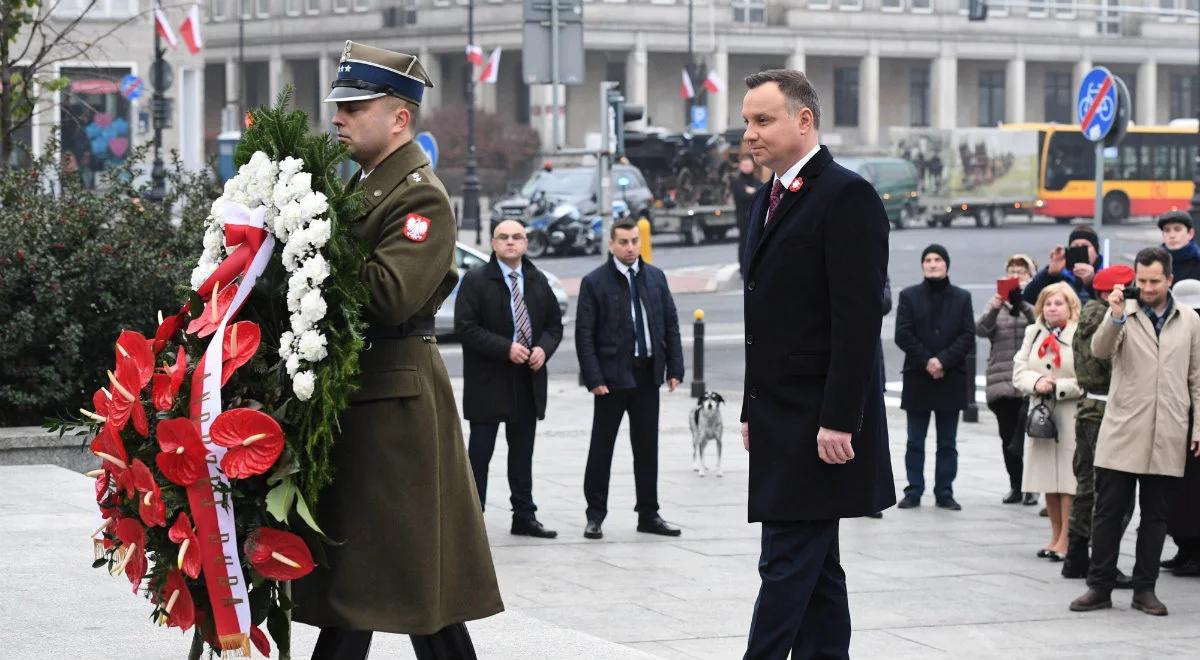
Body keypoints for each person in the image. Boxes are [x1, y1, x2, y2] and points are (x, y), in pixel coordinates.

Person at [292, 42, 503, 660]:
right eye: (339, 105)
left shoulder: (419, 196)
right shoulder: (366, 186)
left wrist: (311, 244)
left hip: (397, 404)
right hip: (369, 395)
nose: (339, 117)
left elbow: (387, 295)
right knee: (379, 580)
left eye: (355, 106)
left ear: (399, 117)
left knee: (408, 579)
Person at [738, 69, 894, 660]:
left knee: (784, 561)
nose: (750, 134)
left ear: (804, 120)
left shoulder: (845, 195)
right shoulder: (769, 198)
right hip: (781, 417)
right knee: (817, 570)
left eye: (763, 120)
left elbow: (856, 321)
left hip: (816, 421)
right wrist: (753, 407)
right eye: (747, 122)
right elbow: (766, 321)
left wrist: (840, 419)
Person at [1072, 248, 1200, 616]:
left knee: (1156, 516)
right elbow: (1099, 350)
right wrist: (1114, 316)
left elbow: (1196, 378)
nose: (1146, 287)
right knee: (1108, 512)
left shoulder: (1190, 320)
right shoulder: (1123, 314)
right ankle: (1099, 587)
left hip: (1168, 430)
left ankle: (1145, 589)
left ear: (1169, 280)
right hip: (1124, 428)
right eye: (1140, 281)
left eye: (1153, 281)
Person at [576, 219, 685, 540]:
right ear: (611, 244)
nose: (629, 247)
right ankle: (595, 515)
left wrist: (675, 368)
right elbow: (584, 335)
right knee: (602, 448)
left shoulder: (655, 278)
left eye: (634, 241)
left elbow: (671, 324)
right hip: (610, 378)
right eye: (623, 241)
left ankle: (648, 514)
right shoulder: (595, 282)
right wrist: (594, 377)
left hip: (647, 375)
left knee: (647, 448)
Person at [455, 219, 564, 539]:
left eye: (517, 237)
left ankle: (524, 515)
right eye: (503, 237)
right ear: (493, 243)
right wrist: (506, 349)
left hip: (526, 381)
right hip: (488, 380)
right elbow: (466, 327)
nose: (510, 243)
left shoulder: (537, 279)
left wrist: (543, 349)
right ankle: (473, 520)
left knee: (522, 453)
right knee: (480, 454)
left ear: (526, 243)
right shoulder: (476, 280)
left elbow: (554, 326)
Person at [1063, 265, 1136, 587]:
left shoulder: (1086, 317)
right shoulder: (1107, 321)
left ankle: (1076, 555)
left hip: (1087, 409)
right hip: (1106, 409)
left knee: (1086, 487)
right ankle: (1102, 560)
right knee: (1115, 496)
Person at [894, 244, 974, 511]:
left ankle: (944, 491)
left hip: (950, 378)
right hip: (919, 376)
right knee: (915, 440)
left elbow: (967, 335)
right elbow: (902, 334)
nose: (932, 264)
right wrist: (928, 360)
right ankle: (914, 490)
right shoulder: (909, 296)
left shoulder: (962, 297)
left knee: (947, 442)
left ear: (946, 264)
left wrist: (943, 361)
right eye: (927, 259)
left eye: (937, 259)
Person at [1013, 283, 1084, 561]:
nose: (1052, 308)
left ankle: (1066, 538)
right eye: (1048, 303)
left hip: (1068, 412)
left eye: (1059, 303)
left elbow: (1085, 378)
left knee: (1067, 480)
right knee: (1047, 480)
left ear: (1070, 307)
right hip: (1040, 413)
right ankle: (1054, 535)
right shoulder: (1034, 332)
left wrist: (1057, 386)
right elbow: (1019, 370)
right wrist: (1037, 382)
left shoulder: (1078, 334)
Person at [976, 254, 1037, 504]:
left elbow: (1039, 324)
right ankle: (1016, 485)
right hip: (1001, 380)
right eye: (1011, 271)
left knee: (1030, 437)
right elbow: (981, 329)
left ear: (1031, 276)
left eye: (1021, 272)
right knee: (1008, 438)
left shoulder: (1035, 302)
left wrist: (1022, 303)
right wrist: (995, 306)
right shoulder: (996, 304)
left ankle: (1032, 486)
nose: (1016, 276)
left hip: (1030, 380)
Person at [1165, 278, 1200, 577]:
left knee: (1190, 491)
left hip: (1193, 421)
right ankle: (1185, 548)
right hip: (1178, 417)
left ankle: (1194, 552)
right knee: (1179, 491)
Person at [1023, 225, 1103, 306]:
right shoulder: (1061, 273)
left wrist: (1091, 283)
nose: (1080, 250)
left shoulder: (1105, 272)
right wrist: (1049, 274)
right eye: (1075, 246)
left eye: (1085, 246)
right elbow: (1029, 298)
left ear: (1096, 250)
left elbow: (1108, 307)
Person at [732, 156, 762, 275]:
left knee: (757, 243)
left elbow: (762, 192)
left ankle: (755, 267)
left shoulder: (755, 179)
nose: (747, 168)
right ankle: (743, 268)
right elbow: (741, 196)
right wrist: (754, 192)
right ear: (740, 167)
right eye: (744, 165)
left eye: (749, 165)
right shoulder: (737, 181)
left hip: (756, 216)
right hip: (743, 217)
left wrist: (752, 191)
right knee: (744, 243)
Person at [1158, 210, 1200, 283]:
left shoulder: (1197, 261)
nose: (1172, 235)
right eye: (1167, 230)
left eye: (1177, 229)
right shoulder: (1155, 261)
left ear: (1190, 233)